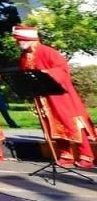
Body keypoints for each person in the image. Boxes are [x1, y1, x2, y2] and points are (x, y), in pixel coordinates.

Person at [14, 26, 95, 169]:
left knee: (72, 123)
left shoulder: (48, 52)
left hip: (60, 96)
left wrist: (47, 73)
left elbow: (62, 70)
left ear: (29, 39)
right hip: (42, 97)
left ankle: (86, 156)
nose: (17, 43)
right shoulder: (23, 56)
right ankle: (66, 154)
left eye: (19, 40)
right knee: (52, 125)